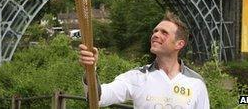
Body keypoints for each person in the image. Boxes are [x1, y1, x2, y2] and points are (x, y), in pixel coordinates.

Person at [79, 11, 210, 108]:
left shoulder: (196, 83)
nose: (156, 35)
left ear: (179, 44)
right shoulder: (136, 77)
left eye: (164, 32)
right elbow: (97, 99)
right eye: (155, 31)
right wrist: (90, 69)